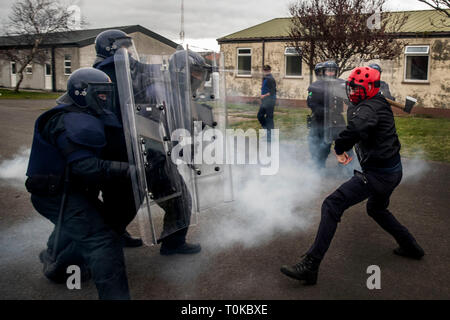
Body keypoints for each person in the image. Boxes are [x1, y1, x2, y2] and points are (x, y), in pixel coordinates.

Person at [280, 66, 424, 285]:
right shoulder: (375, 102)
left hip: (378, 175)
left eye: (358, 89)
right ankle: (410, 246)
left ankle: (311, 265)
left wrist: (339, 149)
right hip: (392, 171)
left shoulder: (368, 110)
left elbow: (356, 128)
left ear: (368, 88)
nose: (353, 92)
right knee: (376, 209)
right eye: (352, 88)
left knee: (332, 204)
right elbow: (363, 125)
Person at [93, 29, 201, 255]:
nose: (130, 53)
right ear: (111, 48)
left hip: (129, 150)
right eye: (125, 48)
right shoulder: (112, 74)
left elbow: (147, 82)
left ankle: (108, 238)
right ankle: (172, 243)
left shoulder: (118, 72)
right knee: (176, 196)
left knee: (121, 204)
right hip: (138, 149)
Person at [26, 68, 131, 299]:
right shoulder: (67, 121)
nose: (106, 99)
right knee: (102, 241)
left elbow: (113, 148)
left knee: (87, 227)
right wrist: (126, 170)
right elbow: (84, 167)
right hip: (55, 195)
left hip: (74, 191)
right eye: (101, 94)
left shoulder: (93, 115)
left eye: (108, 94)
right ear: (83, 93)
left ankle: (56, 263)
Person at [307, 60, 346, 170]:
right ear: (323, 72)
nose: (331, 73)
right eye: (328, 71)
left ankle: (344, 169)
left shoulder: (340, 84)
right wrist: (325, 111)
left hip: (337, 120)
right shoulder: (315, 86)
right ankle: (319, 168)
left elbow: (349, 97)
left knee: (344, 143)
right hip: (320, 120)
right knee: (321, 146)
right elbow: (311, 104)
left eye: (333, 71)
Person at [257, 65, 277, 142]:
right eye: (264, 70)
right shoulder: (266, 78)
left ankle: (270, 136)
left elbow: (272, 92)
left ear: (269, 70)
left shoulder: (270, 79)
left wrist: (263, 95)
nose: (265, 71)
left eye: (266, 70)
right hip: (265, 101)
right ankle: (268, 131)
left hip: (270, 101)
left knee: (269, 118)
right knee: (260, 116)